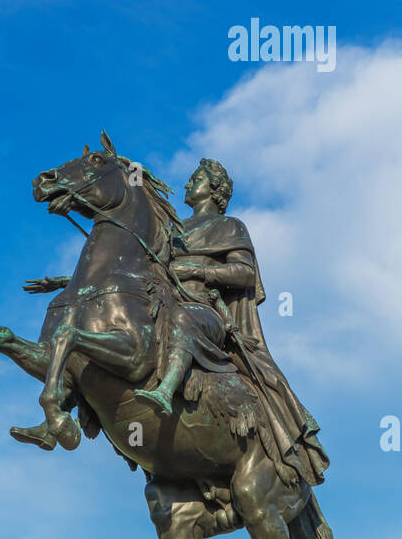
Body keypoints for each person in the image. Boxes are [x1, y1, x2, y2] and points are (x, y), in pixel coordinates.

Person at [141, 157, 329, 489]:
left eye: (195, 178)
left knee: (184, 318)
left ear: (214, 190)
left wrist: (197, 270)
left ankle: (165, 390)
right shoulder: (172, 230)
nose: (187, 183)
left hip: (205, 313)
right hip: (165, 304)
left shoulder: (230, 226)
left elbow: (245, 273)